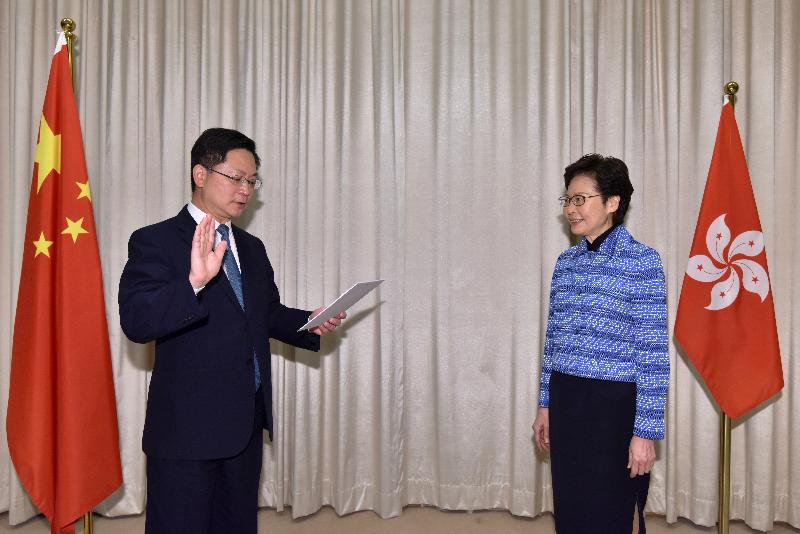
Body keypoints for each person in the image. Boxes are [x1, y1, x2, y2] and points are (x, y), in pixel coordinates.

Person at [118, 128, 345, 534]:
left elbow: (265, 314)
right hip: (186, 431)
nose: (245, 190)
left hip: (244, 424)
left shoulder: (251, 248)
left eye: (252, 181)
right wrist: (193, 284)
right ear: (200, 175)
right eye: (235, 178)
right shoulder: (155, 241)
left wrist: (311, 320)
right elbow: (137, 321)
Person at [531, 154, 669, 533]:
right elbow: (553, 341)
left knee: (613, 512)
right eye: (568, 200)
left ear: (612, 202)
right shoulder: (565, 262)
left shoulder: (643, 261)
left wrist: (645, 432)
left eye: (581, 199)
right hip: (568, 400)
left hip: (615, 410)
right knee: (572, 510)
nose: (571, 209)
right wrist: (545, 404)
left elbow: (653, 354)